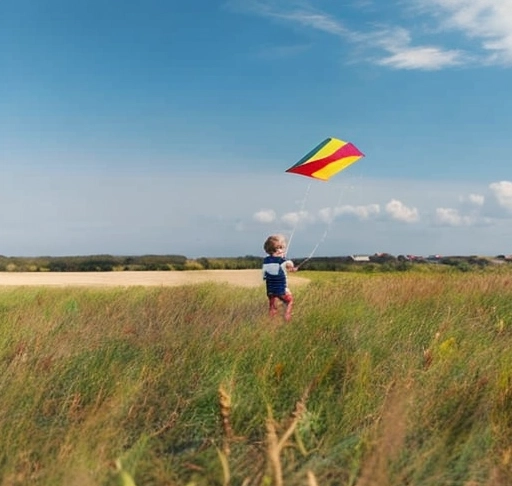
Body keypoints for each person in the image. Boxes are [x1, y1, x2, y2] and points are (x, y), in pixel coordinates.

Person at [262, 234, 297, 321]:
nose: (282, 250)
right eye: (281, 248)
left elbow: (264, 276)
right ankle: (287, 316)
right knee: (289, 301)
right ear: (278, 249)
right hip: (281, 289)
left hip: (270, 290)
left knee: (272, 307)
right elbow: (289, 265)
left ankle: (271, 321)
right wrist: (292, 268)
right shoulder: (283, 261)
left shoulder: (266, 261)